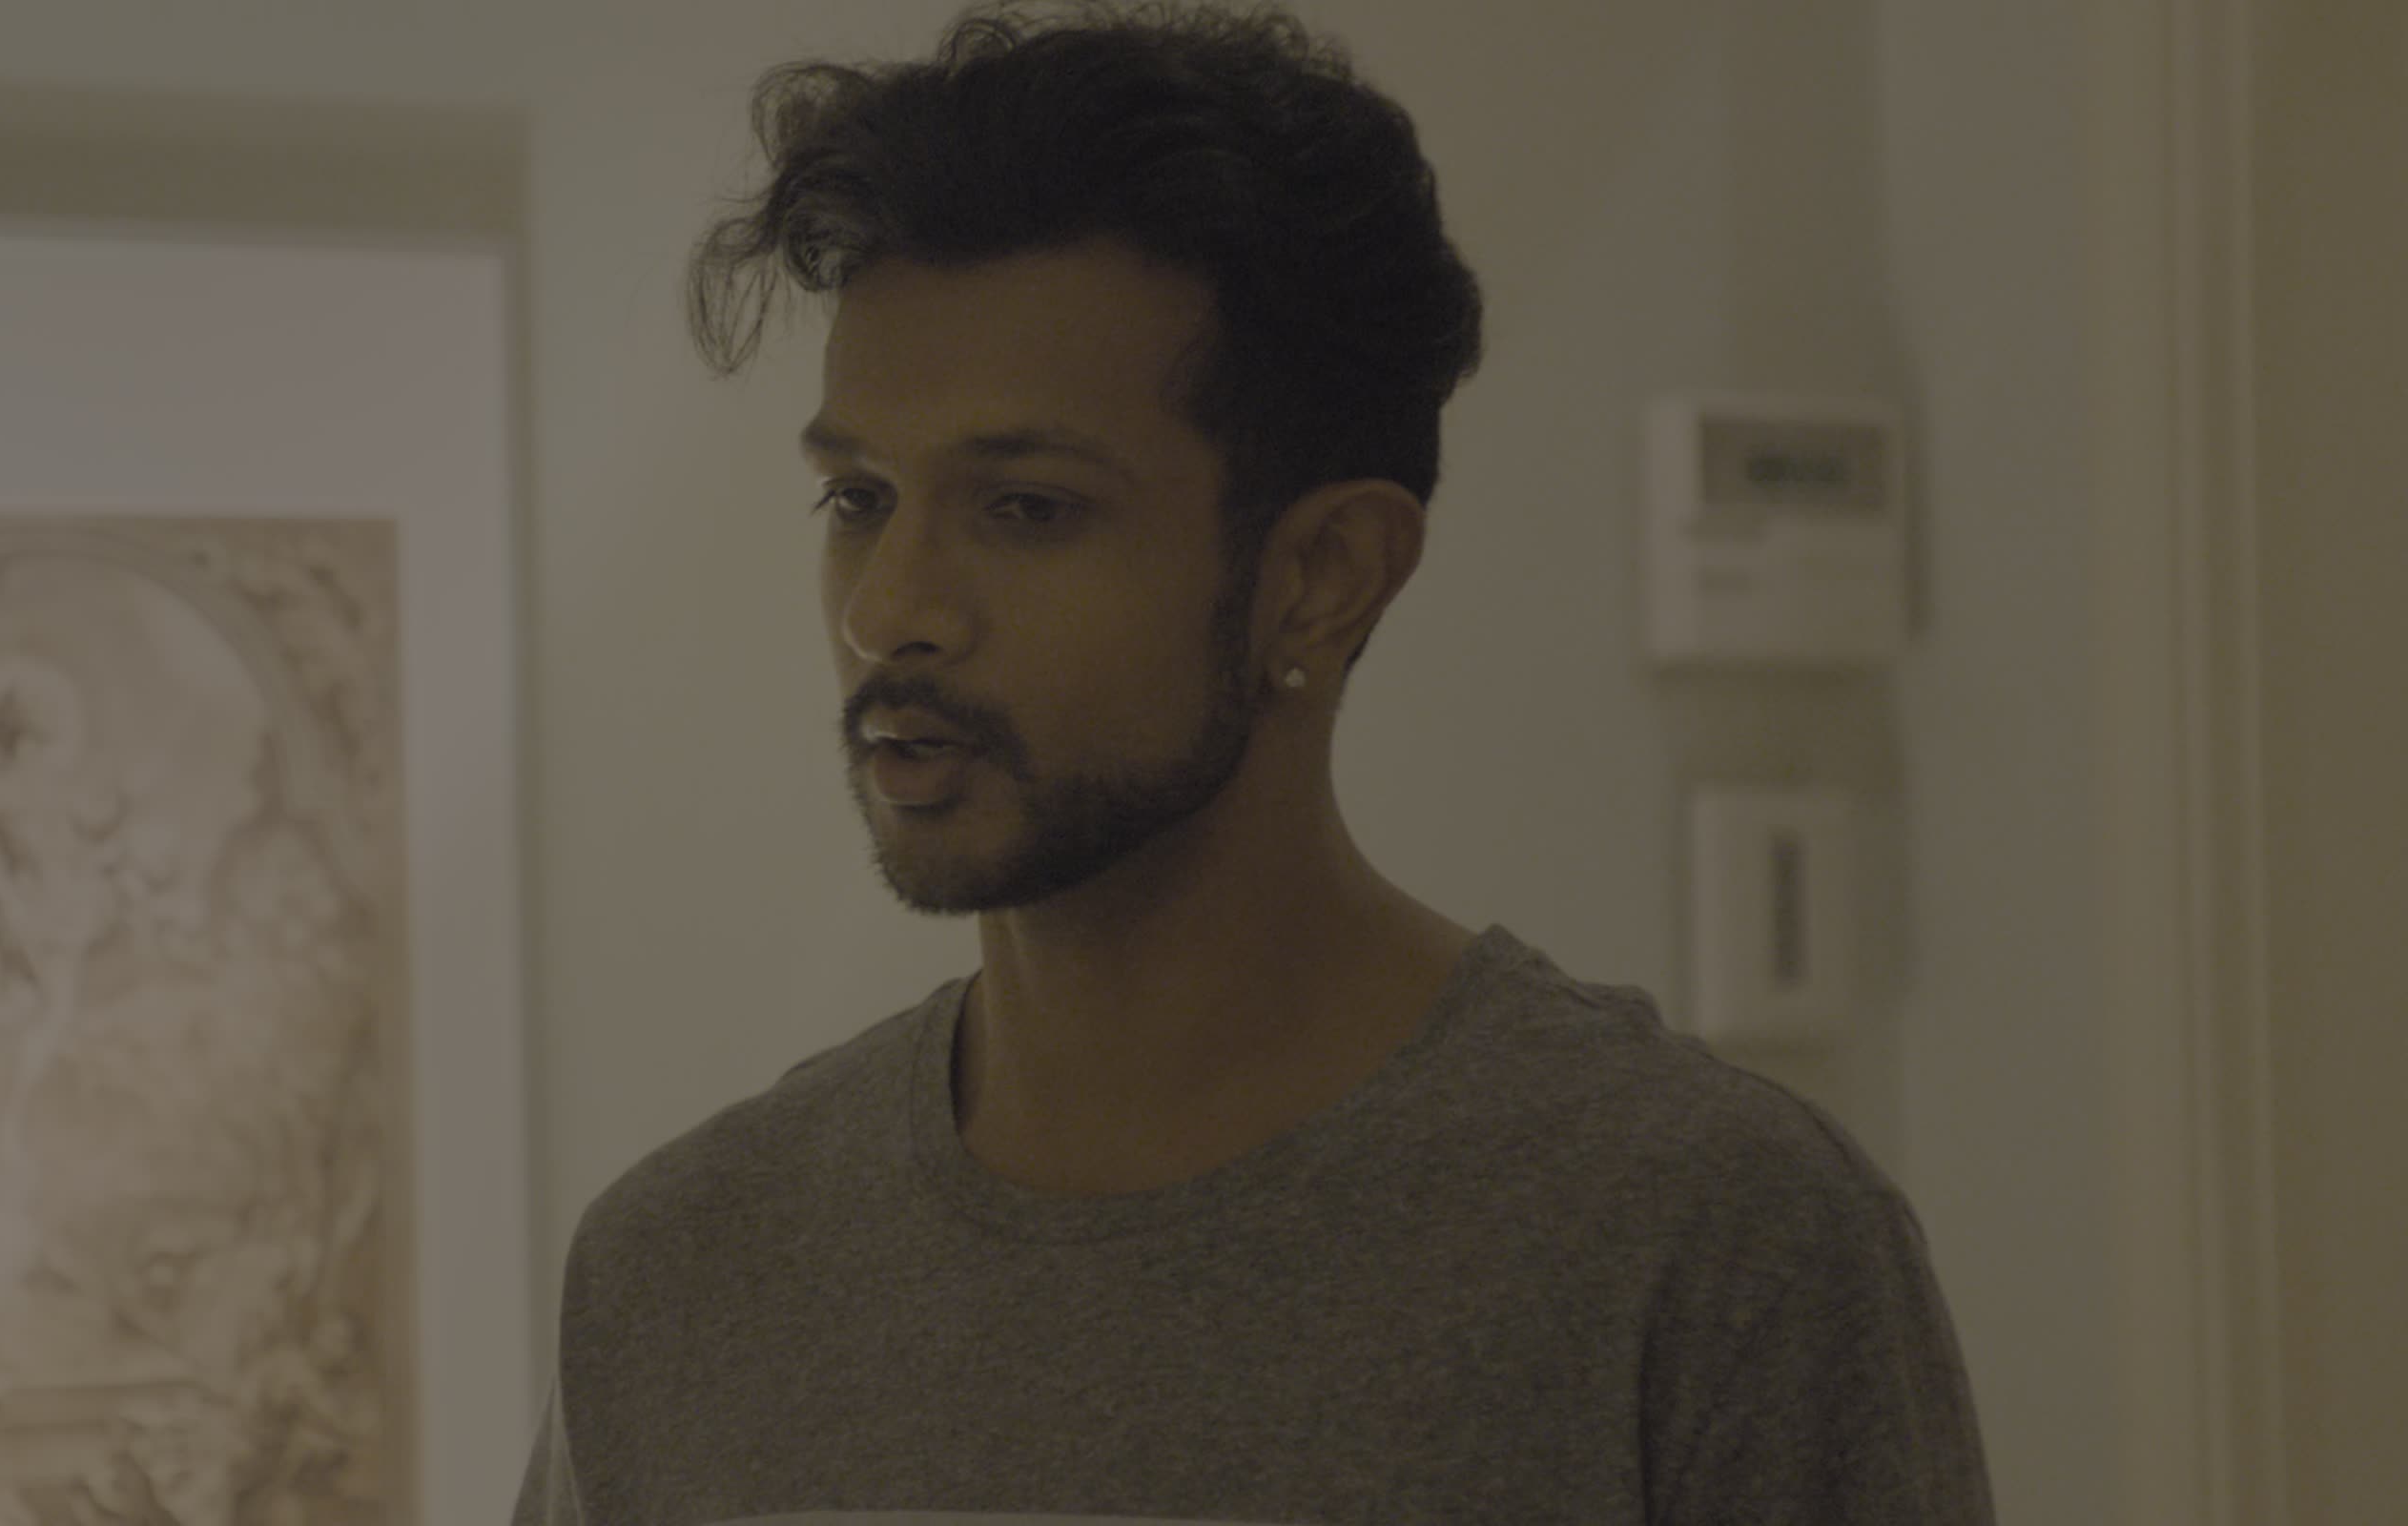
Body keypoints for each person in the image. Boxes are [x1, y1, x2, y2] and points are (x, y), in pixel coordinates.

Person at [512, 4, 1995, 1523]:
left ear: (1322, 579)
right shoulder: (678, 1272)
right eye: (859, 500)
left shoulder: (1700, 1240)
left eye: (1026, 508)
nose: (891, 609)